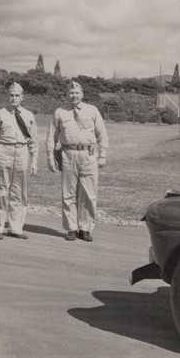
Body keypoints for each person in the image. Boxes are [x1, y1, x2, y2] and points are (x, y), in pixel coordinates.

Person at [46, 80, 108, 242]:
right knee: (69, 193)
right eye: (71, 93)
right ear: (67, 94)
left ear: (82, 94)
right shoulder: (60, 112)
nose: (74, 95)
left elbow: (102, 134)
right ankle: (71, 228)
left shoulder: (92, 110)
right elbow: (51, 136)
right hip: (68, 154)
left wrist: (102, 155)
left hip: (88, 155)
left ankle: (85, 229)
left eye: (77, 93)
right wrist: (50, 157)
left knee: (89, 194)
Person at [0, 82, 38, 239]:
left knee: (19, 192)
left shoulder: (29, 115)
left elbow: (33, 140)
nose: (13, 98)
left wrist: (34, 161)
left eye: (17, 95)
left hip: (22, 152)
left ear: (22, 97)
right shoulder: (0, 114)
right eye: (11, 95)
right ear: (8, 96)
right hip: (4, 151)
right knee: (1, 191)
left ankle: (16, 228)